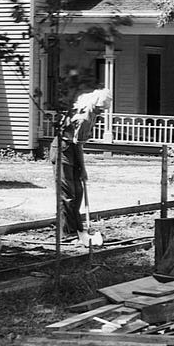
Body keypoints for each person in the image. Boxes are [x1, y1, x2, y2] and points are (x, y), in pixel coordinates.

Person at [56, 88, 112, 237]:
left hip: (72, 149)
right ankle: (66, 232)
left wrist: (81, 167)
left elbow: (78, 144)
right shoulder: (84, 117)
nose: (101, 112)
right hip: (64, 150)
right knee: (68, 194)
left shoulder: (92, 113)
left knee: (78, 192)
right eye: (100, 109)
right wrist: (83, 169)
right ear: (95, 104)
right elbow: (78, 145)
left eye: (103, 109)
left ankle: (76, 228)